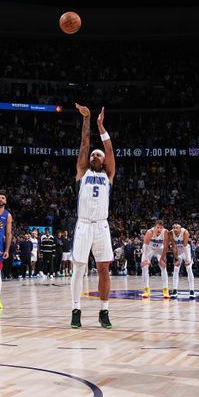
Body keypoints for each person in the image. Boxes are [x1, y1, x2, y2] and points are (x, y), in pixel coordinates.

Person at [70, 104, 116, 329]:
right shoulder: (83, 171)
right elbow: (84, 143)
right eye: (93, 154)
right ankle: (76, 309)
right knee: (79, 267)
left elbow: (109, 150)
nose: (95, 156)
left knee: (104, 268)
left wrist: (101, 126)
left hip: (101, 226)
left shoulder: (109, 174)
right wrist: (87, 120)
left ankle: (104, 311)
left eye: (99, 154)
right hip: (84, 224)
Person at [141, 220, 170, 299]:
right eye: (157, 227)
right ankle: (146, 290)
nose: (159, 229)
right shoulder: (149, 232)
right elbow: (145, 246)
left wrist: (162, 259)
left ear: (163, 228)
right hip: (149, 248)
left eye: (161, 228)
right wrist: (146, 259)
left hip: (160, 249)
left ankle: (166, 289)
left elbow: (166, 246)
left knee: (163, 267)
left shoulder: (166, 232)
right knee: (144, 267)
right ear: (154, 227)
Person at [170, 223, 195, 299]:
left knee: (189, 269)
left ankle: (192, 291)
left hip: (186, 251)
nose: (175, 229)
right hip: (178, 251)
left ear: (180, 228)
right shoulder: (171, 233)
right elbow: (174, 246)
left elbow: (184, 246)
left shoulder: (185, 232)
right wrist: (176, 259)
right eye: (173, 227)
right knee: (176, 269)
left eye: (176, 227)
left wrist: (187, 259)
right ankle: (174, 290)